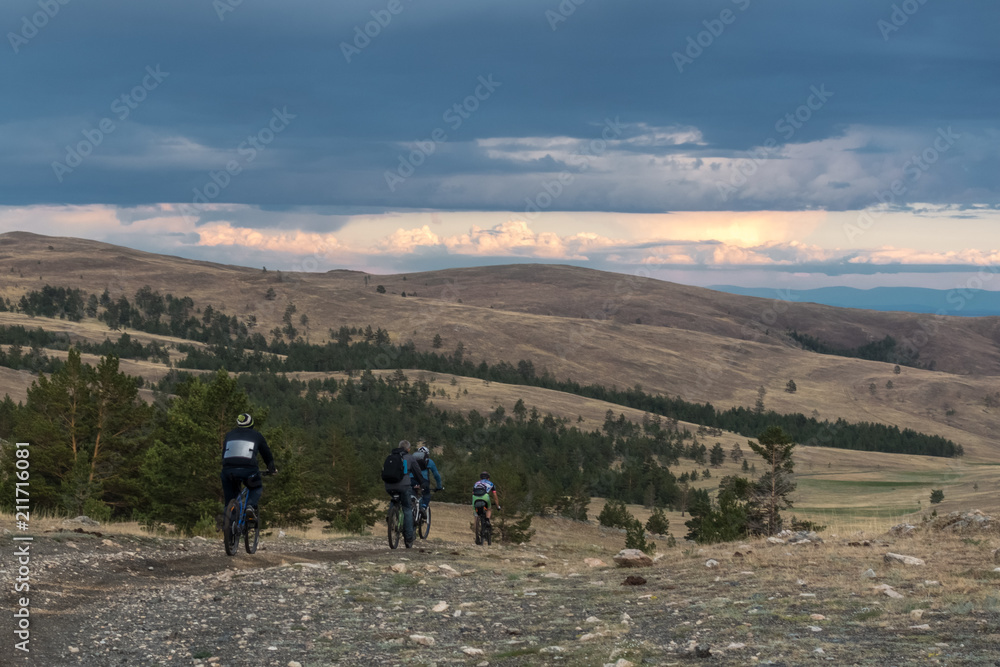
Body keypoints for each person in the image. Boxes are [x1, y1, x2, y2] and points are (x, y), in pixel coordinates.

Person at [221, 413, 276, 527]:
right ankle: (250, 506)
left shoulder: (229, 435)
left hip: (228, 471)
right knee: (256, 487)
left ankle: (227, 525)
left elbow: (224, 454)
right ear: (251, 424)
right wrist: (271, 468)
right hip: (249, 470)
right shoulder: (257, 436)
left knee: (230, 499)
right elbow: (266, 454)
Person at [383, 439, 420, 548]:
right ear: (408, 449)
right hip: (404, 486)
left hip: (389, 486)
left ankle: (391, 514)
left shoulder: (390, 457)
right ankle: (408, 539)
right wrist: (422, 483)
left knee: (394, 500)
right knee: (407, 508)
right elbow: (417, 473)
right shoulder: (410, 457)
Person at [412, 444, 443, 510]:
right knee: (426, 494)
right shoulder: (429, 461)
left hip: (411, 480)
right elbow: (436, 475)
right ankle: (423, 508)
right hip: (423, 481)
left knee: (411, 495)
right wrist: (439, 486)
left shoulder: (411, 459)